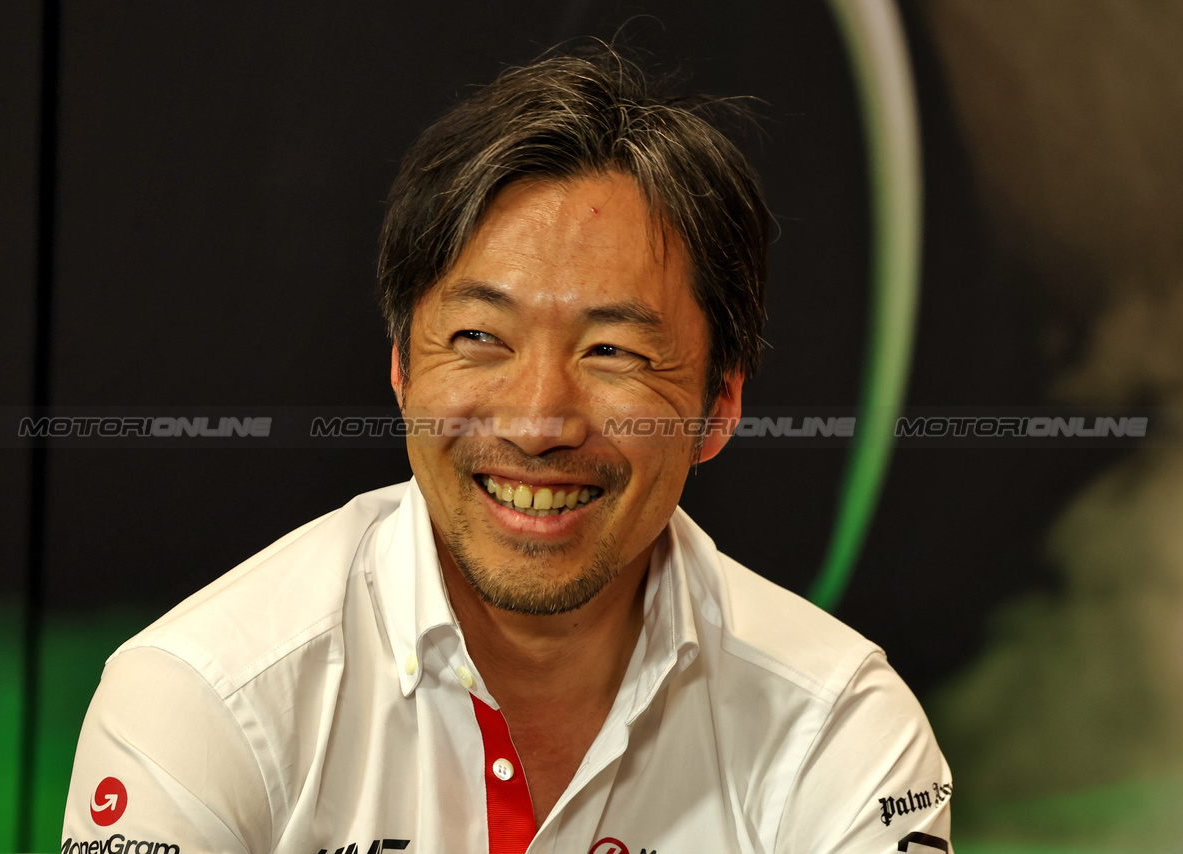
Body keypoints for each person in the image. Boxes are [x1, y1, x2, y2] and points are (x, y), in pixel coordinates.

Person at [62, 48, 952, 854]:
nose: (537, 422)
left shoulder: (836, 726)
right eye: (482, 337)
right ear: (405, 370)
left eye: (615, 352)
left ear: (719, 407)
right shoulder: (203, 697)